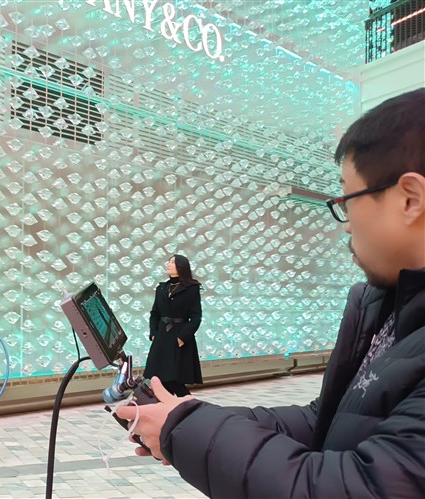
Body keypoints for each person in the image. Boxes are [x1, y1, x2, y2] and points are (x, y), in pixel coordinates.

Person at [118, 88, 425, 497]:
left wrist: (184, 428)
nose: (346, 224)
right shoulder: (384, 306)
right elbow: (327, 422)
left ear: (410, 199)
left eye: (346, 200)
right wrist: (186, 418)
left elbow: (362, 487)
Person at [143, 254, 203, 397]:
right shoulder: (162, 288)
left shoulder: (191, 288)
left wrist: (182, 337)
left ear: (181, 267)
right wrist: (153, 333)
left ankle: (188, 409)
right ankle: (178, 410)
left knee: (173, 379)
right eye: (169, 262)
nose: (168, 264)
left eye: (172, 262)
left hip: (179, 337)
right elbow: (154, 313)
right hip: (162, 337)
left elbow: (196, 317)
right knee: (161, 378)